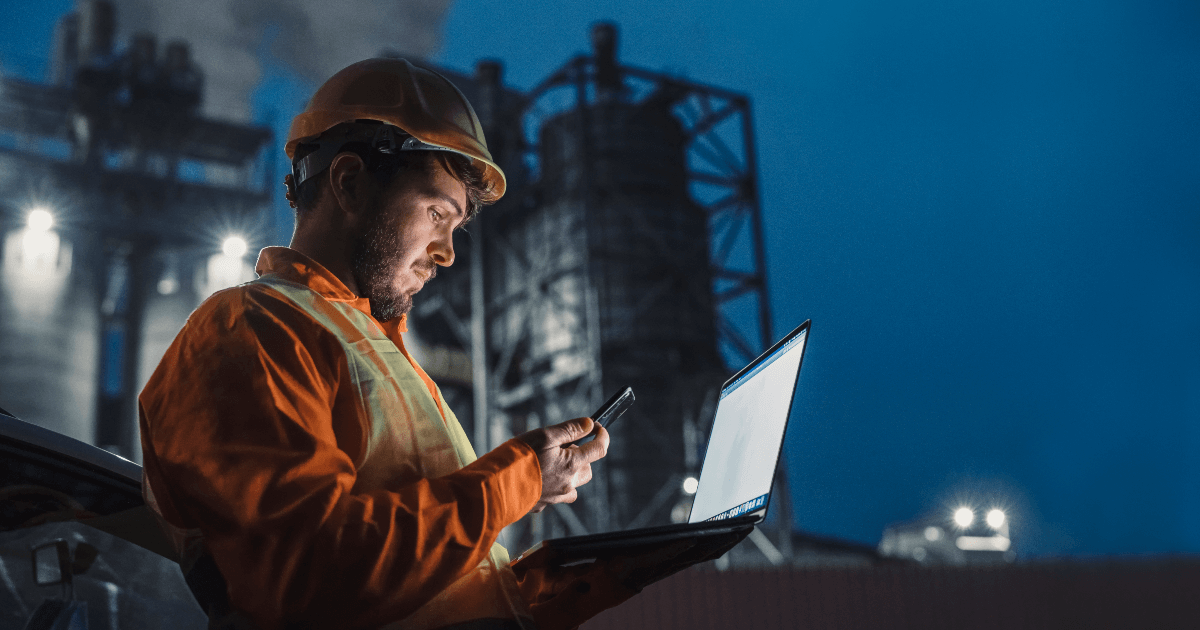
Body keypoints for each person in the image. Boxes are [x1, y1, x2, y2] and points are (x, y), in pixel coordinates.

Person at [139, 58, 628, 630]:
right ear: (349, 182)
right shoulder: (252, 329)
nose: (446, 252)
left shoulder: (374, 350)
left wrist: (572, 583)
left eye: (456, 226)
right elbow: (305, 578)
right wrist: (516, 481)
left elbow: (418, 581)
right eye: (437, 213)